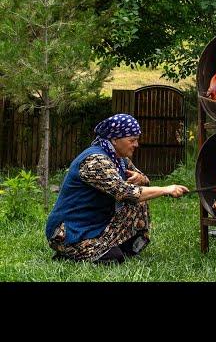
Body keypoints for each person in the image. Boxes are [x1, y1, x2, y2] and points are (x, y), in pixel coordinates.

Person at [45, 113, 189, 264]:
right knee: (113, 258)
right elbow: (126, 193)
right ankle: (70, 251)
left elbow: (144, 182)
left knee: (138, 204)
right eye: (132, 140)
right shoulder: (96, 161)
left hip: (93, 223)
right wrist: (166, 189)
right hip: (68, 230)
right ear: (114, 139)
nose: (136, 145)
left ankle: (123, 248)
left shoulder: (119, 159)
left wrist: (142, 179)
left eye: (137, 140)